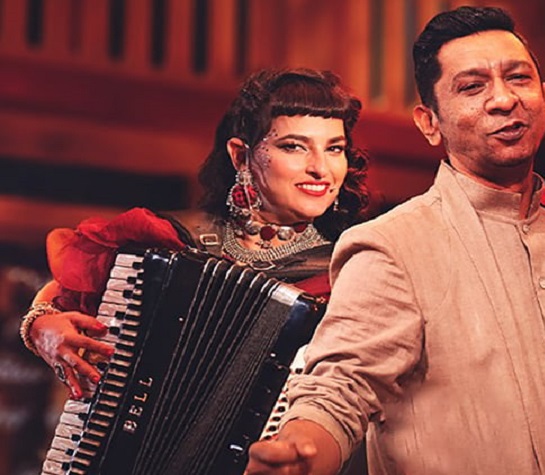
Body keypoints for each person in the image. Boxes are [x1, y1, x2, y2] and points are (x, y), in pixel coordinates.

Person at [244, 7, 545, 475]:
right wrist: (303, 450)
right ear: (429, 122)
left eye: (518, 78)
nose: (503, 99)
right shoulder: (391, 247)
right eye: (472, 86)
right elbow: (338, 392)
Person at [18, 68, 370, 471]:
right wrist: (40, 326)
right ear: (241, 155)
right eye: (294, 147)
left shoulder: (349, 269)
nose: (321, 169)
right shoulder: (168, 239)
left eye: (335, 149)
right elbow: (60, 292)